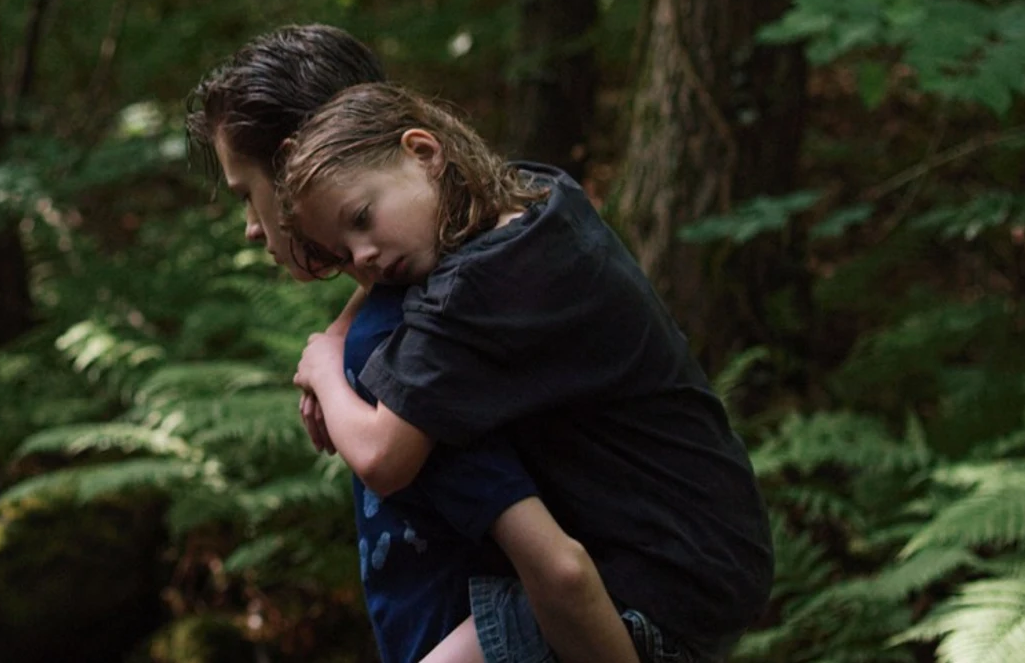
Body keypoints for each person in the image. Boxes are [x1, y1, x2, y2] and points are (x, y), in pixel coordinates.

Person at [187, 25, 639, 663]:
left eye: (246, 195)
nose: (250, 229)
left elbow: (549, 563)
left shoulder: (417, 346)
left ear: (296, 167)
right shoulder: (495, 250)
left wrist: (334, 365)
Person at [278, 82, 774, 663]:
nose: (362, 259)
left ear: (425, 152)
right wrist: (341, 329)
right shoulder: (538, 200)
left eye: (362, 218)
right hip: (720, 540)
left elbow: (383, 459)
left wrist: (325, 369)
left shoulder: (477, 292)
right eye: (343, 252)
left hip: (660, 575)